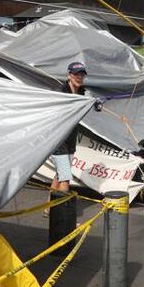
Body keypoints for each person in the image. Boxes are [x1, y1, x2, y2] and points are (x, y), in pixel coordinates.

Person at [50, 61, 88, 191]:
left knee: (60, 175)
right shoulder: (60, 92)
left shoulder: (83, 93)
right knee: (65, 177)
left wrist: (94, 105)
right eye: (76, 74)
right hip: (58, 139)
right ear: (69, 75)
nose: (79, 77)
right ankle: (61, 211)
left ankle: (49, 210)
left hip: (71, 138)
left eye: (82, 74)